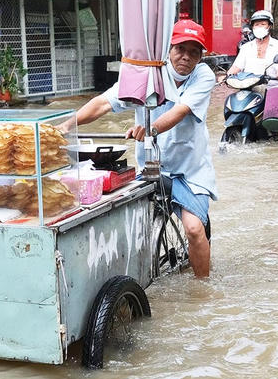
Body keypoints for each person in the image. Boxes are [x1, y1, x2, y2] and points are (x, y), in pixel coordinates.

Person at [63, 19, 217, 278]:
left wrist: (150, 128)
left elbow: (180, 111)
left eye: (194, 52)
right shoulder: (148, 73)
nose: (185, 57)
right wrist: (68, 125)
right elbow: (103, 103)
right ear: (168, 49)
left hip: (190, 171)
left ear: (201, 56)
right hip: (150, 167)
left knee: (193, 229)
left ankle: (203, 290)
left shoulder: (203, 76)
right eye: (180, 49)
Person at [225, 9, 278, 140]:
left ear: (269, 26)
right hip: (249, 88)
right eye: (256, 24)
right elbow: (236, 67)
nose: (259, 27)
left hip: (272, 89)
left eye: (263, 24)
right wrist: (227, 76)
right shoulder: (246, 47)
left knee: (277, 127)